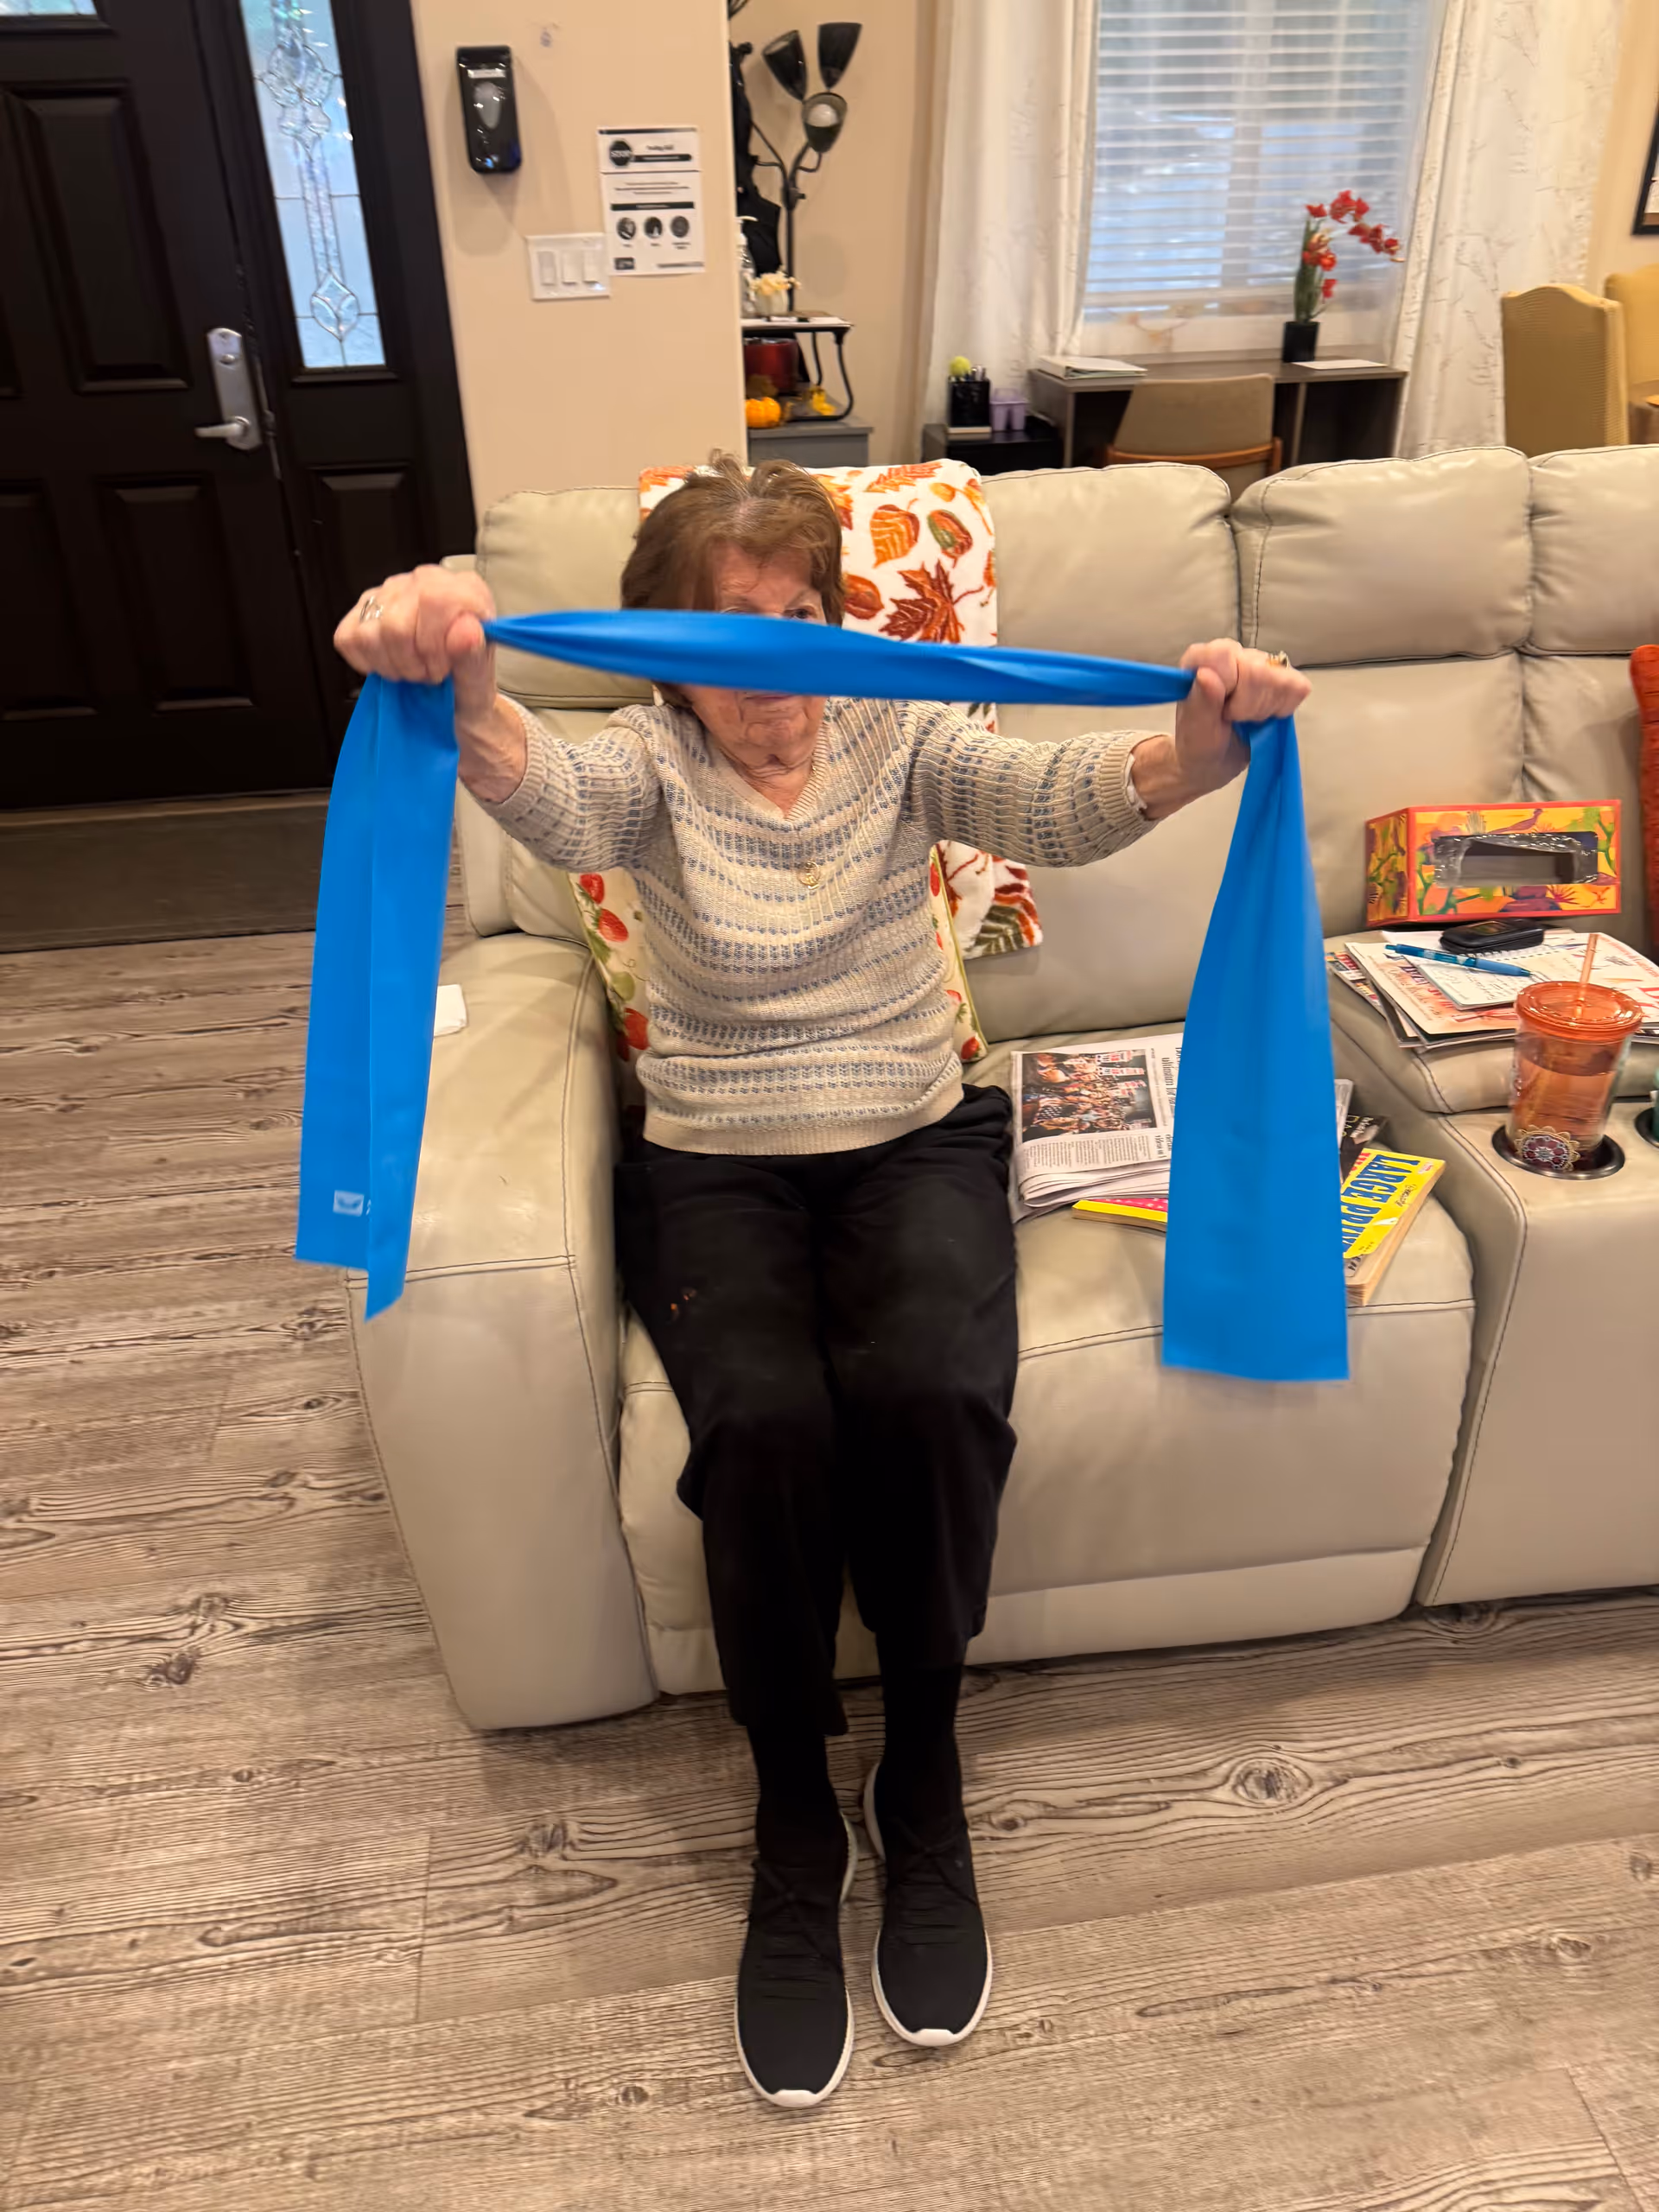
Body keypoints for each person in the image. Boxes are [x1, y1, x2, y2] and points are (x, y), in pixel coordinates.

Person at [334, 455, 1310, 2110]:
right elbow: (536, 794)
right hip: (715, 1155)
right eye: (738, 637)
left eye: (805, 622)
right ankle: (797, 1807)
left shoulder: (897, 725)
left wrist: (1204, 747)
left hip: (914, 1134)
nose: (781, 670)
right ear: (666, 655)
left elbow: (1056, 795)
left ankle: (919, 1770)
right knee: (769, 1426)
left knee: (930, 1389)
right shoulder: (643, 761)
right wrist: (457, 667)